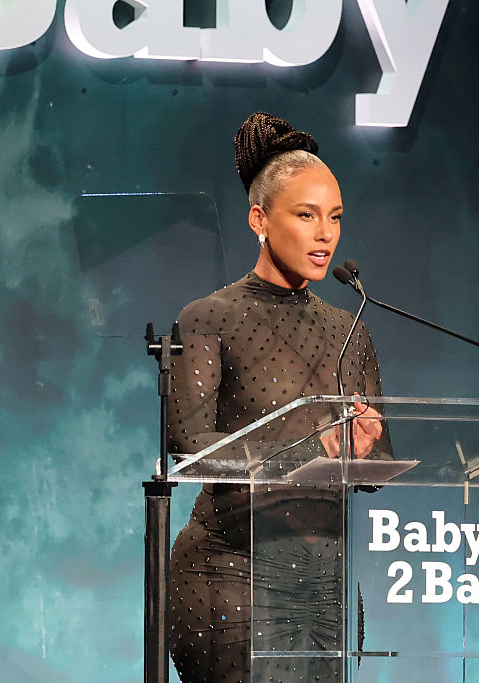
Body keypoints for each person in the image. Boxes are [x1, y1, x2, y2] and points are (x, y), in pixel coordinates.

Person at [167, 112, 391, 683]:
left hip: (326, 585)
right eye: (306, 215)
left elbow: (379, 463)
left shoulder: (350, 328)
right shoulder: (209, 317)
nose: (325, 234)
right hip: (232, 571)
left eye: (335, 217)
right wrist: (311, 449)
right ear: (259, 219)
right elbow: (191, 446)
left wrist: (365, 446)